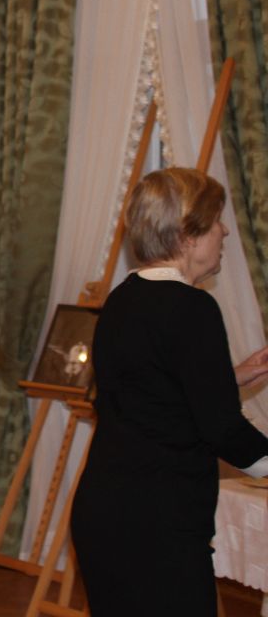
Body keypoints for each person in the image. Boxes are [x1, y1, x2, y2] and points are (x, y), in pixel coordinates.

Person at [70, 167, 268, 616]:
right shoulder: (193, 307)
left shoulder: (123, 297)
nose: (225, 231)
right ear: (186, 235)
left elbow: (147, 389)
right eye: (215, 220)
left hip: (104, 510)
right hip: (158, 521)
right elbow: (222, 429)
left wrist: (227, 377)